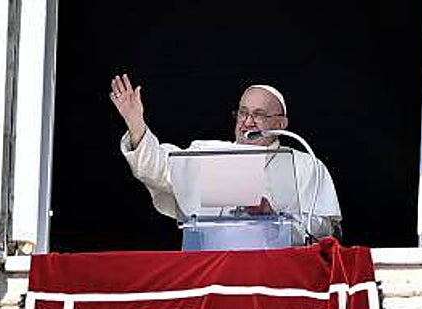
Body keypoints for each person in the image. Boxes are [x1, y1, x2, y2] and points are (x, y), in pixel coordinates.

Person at [109, 74, 342, 242]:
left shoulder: (304, 163)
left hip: (274, 273)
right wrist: (136, 122)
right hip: (212, 270)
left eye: (259, 115)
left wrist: (275, 218)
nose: (247, 122)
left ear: (281, 124)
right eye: (243, 112)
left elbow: (325, 229)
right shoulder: (211, 153)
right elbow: (156, 169)